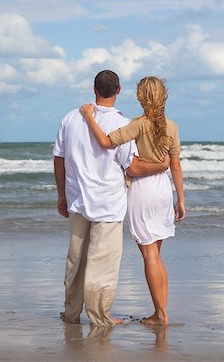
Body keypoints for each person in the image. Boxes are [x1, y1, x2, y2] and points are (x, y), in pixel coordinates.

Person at [53, 70, 170, 327]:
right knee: (101, 264)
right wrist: (162, 166)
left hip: (77, 200)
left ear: (94, 89)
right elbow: (132, 167)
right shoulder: (121, 123)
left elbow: (59, 159)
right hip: (108, 203)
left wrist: (61, 193)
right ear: (118, 91)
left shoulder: (71, 118)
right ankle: (100, 317)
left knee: (76, 260)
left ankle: (71, 313)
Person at [80, 76, 186, 326]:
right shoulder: (171, 126)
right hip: (163, 191)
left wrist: (89, 118)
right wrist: (181, 199)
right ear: (164, 97)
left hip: (142, 191)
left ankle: (161, 315)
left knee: (149, 255)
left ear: (141, 97)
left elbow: (105, 142)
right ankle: (160, 311)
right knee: (157, 256)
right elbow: (176, 166)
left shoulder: (138, 125)